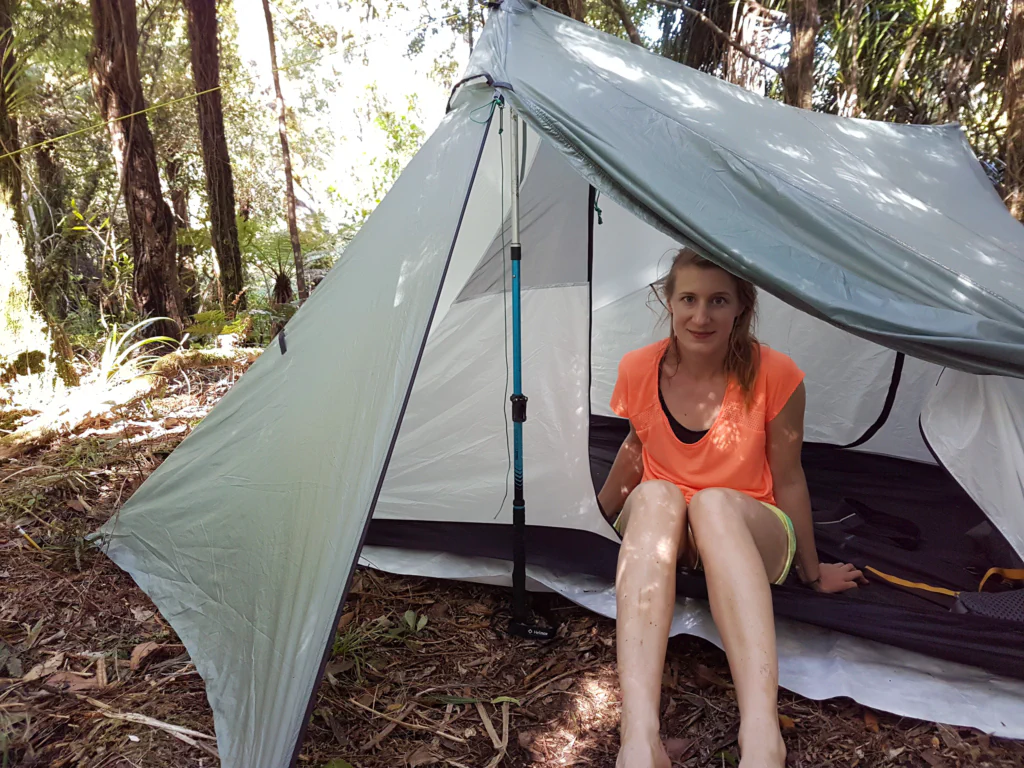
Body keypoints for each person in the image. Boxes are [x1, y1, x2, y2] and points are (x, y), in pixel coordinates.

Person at [598, 248, 866, 768]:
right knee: (655, 494)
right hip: (668, 529)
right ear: (668, 302)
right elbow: (636, 446)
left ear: (743, 305)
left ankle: (762, 733)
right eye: (689, 299)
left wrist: (812, 573)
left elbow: (788, 479)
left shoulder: (777, 375)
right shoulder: (638, 367)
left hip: (745, 524)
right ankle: (640, 737)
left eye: (718, 301)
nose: (702, 317)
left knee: (717, 504)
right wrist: (598, 515)